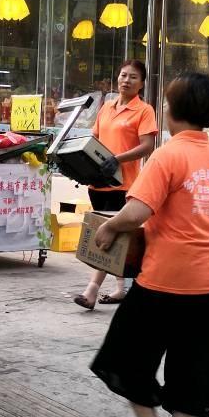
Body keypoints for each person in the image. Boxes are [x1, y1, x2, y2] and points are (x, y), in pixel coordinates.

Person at [89, 72, 209, 417]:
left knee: (124, 352)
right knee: (194, 363)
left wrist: (109, 227)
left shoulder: (167, 155)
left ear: (171, 111)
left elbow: (137, 211)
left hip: (165, 278)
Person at [74, 59, 159, 311]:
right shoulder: (106, 108)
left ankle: (91, 290)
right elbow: (94, 141)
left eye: (133, 77)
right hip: (98, 184)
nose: (126, 80)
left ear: (142, 83)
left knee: (110, 236)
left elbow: (147, 147)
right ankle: (122, 288)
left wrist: (117, 159)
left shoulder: (144, 111)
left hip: (124, 185)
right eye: (123, 75)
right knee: (117, 239)